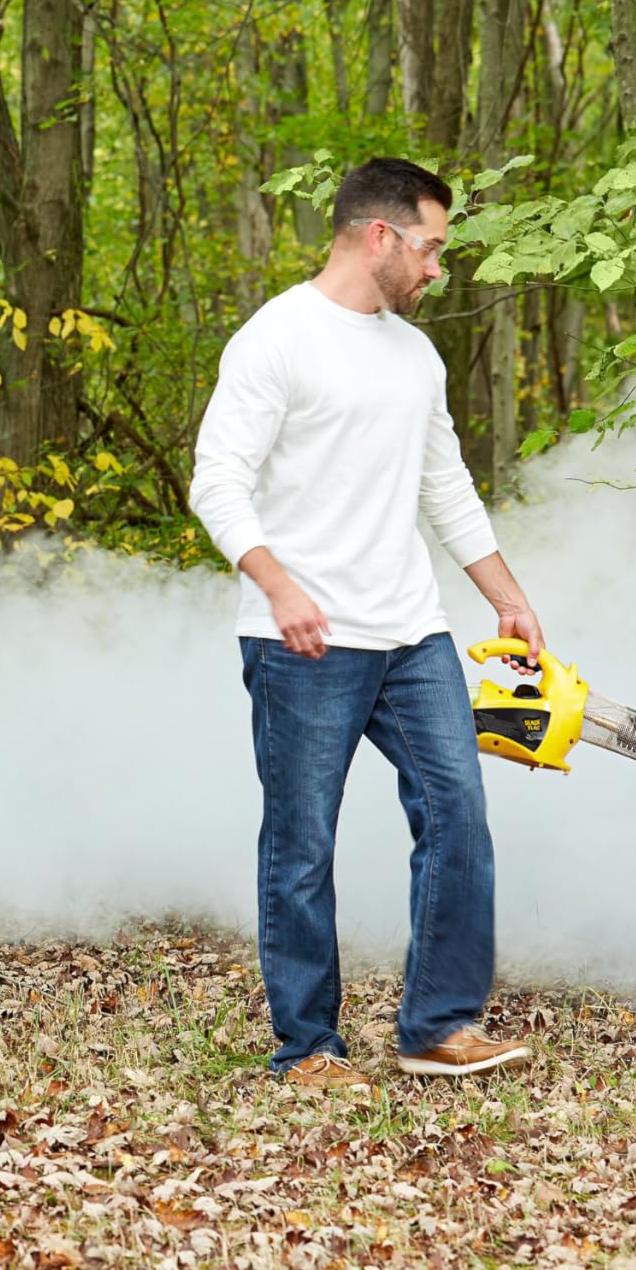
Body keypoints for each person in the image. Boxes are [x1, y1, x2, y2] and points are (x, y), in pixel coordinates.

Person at [189, 156, 542, 1088]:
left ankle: (437, 1027)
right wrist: (278, 585)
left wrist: (504, 595)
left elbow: (445, 487)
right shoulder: (277, 340)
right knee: (303, 843)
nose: (438, 270)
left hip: (411, 632)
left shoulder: (414, 355)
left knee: (458, 814)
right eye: (429, 249)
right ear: (378, 235)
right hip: (302, 639)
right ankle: (307, 1047)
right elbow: (216, 481)